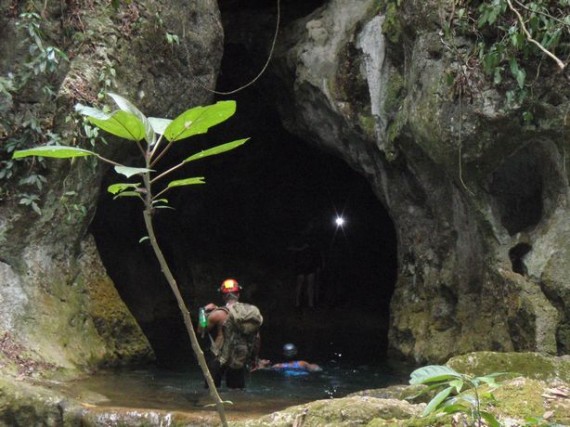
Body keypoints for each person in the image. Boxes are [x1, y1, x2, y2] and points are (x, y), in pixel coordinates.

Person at [198, 278, 262, 389]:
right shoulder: (248, 314)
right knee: (237, 392)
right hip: (238, 358)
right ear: (238, 294)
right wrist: (254, 359)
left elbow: (201, 329)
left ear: (223, 296)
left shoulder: (219, 314)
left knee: (211, 391)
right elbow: (257, 338)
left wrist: (202, 311)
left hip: (219, 357)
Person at [289, 238, 323, 309]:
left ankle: (303, 303)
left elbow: (317, 254)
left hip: (305, 266)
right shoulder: (308, 245)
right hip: (306, 266)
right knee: (306, 285)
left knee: (304, 285)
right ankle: (305, 304)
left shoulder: (304, 245)